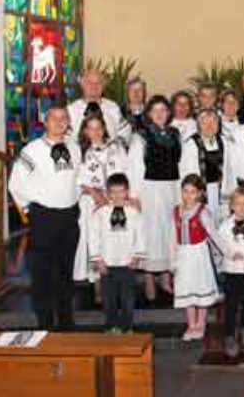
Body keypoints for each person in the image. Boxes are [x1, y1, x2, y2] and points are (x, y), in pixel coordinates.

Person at [9, 105, 82, 330]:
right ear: (46, 122)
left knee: (65, 271)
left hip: (69, 217)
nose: (59, 122)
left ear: (68, 122)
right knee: (43, 274)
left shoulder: (74, 148)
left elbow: (78, 179)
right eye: (54, 118)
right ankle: (45, 323)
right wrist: (31, 211)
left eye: (64, 118)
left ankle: (66, 321)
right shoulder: (32, 150)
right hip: (44, 217)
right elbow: (16, 183)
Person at [127, 95, 181, 301]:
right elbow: (134, 166)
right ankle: (149, 279)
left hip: (171, 188)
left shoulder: (175, 134)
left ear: (169, 114)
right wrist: (134, 195)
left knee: (169, 233)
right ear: (149, 114)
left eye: (163, 110)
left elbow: (180, 163)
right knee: (151, 235)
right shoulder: (141, 136)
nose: (159, 114)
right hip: (149, 190)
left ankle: (166, 278)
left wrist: (181, 191)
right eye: (155, 111)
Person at [74, 113, 128, 291]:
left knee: (113, 240)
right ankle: (97, 284)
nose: (95, 132)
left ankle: (116, 282)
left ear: (104, 129)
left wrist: (111, 195)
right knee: (94, 241)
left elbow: (123, 173)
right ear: (85, 131)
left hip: (114, 200)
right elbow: (75, 180)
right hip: (91, 203)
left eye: (99, 128)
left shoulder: (115, 149)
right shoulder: (79, 151)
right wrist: (93, 192)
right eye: (91, 128)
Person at [89, 173, 145, 333]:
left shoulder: (134, 213)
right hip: (107, 263)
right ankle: (111, 325)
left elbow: (140, 235)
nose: (117, 195)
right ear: (107, 193)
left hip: (127, 263)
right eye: (113, 192)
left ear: (127, 191)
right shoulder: (100, 213)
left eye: (121, 191)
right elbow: (94, 237)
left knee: (128, 299)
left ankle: (127, 326)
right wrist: (98, 259)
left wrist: (137, 255)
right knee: (109, 299)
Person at [171, 174, 220, 341]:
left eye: (193, 192)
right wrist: (173, 260)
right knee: (186, 287)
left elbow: (214, 235)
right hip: (183, 255)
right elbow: (172, 237)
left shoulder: (203, 211)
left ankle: (201, 323)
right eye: (185, 191)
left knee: (200, 286)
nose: (188, 196)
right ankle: (191, 324)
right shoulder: (176, 211)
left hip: (199, 254)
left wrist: (228, 252)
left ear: (199, 193)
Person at [218, 187, 244, 358]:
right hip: (231, 270)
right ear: (231, 206)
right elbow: (221, 243)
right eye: (237, 204)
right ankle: (229, 335)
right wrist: (231, 252)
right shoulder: (225, 226)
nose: (241, 208)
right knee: (231, 304)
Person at [180, 109, 226, 219]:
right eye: (204, 123)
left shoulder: (224, 142)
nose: (209, 126)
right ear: (198, 125)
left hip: (220, 190)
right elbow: (187, 172)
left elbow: (230, 169)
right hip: (200, 191)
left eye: (213, 122)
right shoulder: (191, 144)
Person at [68, 69, 131, 148]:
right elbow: (65, 136)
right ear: (82, 85)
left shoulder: (113, 107)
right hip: (80, 156)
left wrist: (115, 148)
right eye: (90, 82)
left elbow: (125, 132)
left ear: (103, 86)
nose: (94, 86)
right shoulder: (71, 110)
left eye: (98, 83)